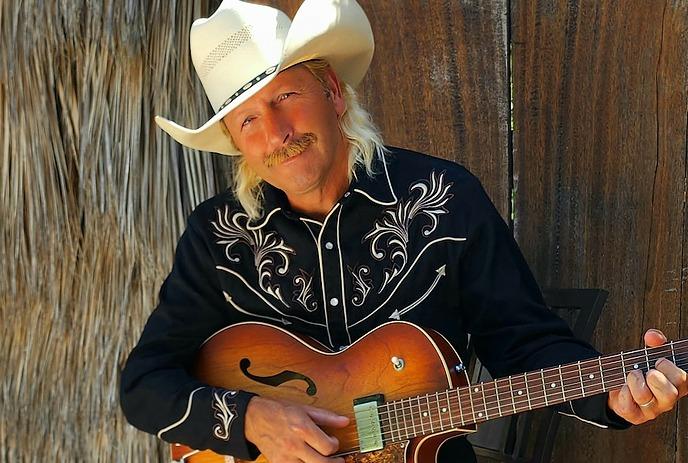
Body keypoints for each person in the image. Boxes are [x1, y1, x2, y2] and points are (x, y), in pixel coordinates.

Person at [119, 1, 688, 462]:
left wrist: (612, 396)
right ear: (238, 143)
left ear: (334, 94)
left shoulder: (443, 197)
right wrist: (252, 419)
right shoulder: (216, 237)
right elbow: (144, 384)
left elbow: (525, 342)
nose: (276, 132)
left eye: (286, 97)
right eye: (248, 119)